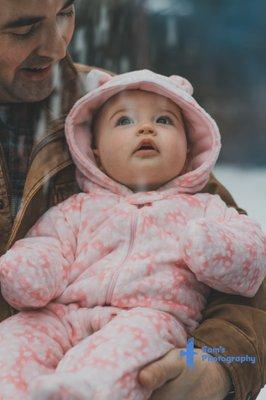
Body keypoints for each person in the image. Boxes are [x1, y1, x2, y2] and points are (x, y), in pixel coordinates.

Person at [0, 1, 265, 399]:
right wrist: (29, 271)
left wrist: (216, 364)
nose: (57, 47)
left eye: (65, 13)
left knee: (129, 345)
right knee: (15, 343)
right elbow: (47, 245)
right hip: (55, 319)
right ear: (96, 154)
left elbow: (250, 281)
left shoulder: (111, 101)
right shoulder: (82, 194)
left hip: (148, 323)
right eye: (23, 28)